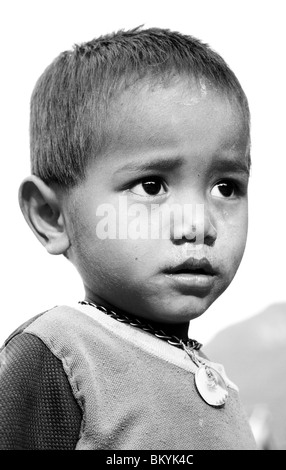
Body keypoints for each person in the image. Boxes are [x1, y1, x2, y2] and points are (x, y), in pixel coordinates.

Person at [0, 27, 256, 450]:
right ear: (51, 216)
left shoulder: (219, 382)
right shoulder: (59, 357)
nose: (199, 224)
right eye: (152, 186)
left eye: (225, 188)